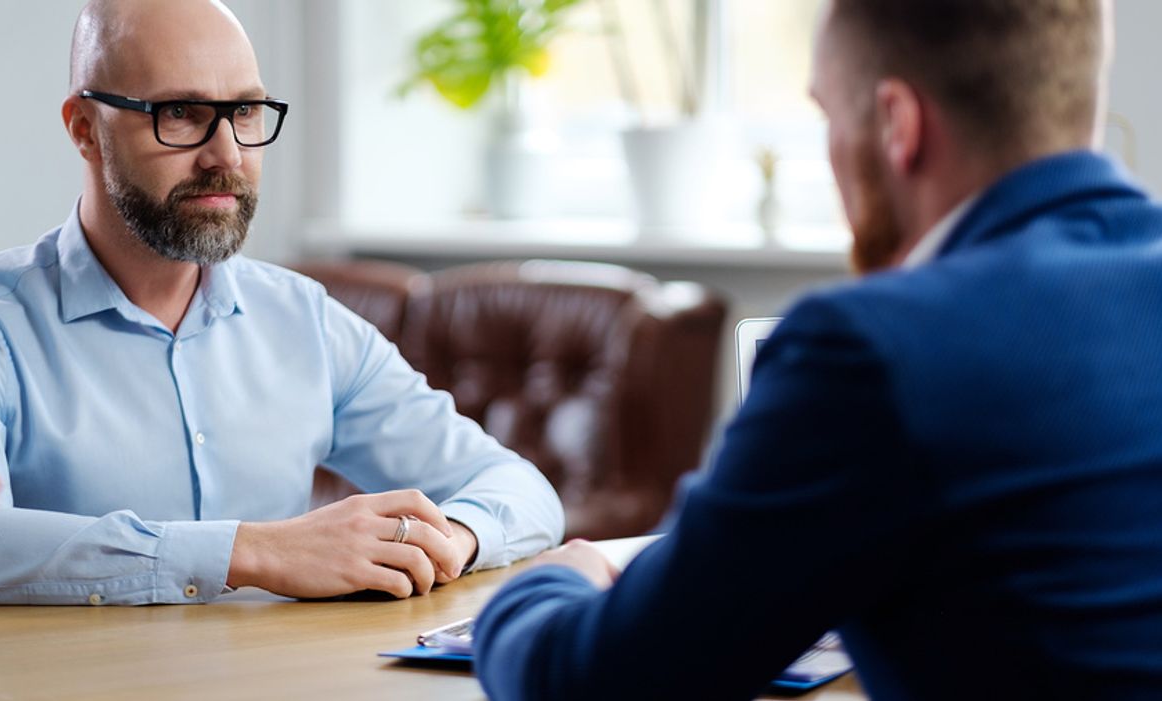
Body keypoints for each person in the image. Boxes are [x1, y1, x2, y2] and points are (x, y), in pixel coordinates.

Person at [474, 0, 1162, 698]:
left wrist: (540, 588)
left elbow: (592, 682)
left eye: (827, 116)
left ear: (896, 124)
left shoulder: (874, 351)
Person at [0, 0, 562, 605]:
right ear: (85, 130)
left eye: (246, 113)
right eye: (180, 114)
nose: (226, 154)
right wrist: (247, 552)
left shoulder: (306, 323)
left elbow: (520, 491)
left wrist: (445, 540)